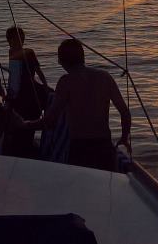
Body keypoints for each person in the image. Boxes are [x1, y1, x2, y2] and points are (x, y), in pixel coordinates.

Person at [26, 39, 131, 172]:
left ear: (62, 61)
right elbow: (125, 112)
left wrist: (24, 124)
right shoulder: (105, 77)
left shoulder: (66, 82)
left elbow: (50, 121)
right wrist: (124, 137)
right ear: (82, 57)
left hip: (80, 148)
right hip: (104, 146)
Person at [3, 26, 48, 157]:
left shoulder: (29, 52)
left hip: (30, 92)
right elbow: (13, 74)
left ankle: (27, 146)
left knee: (28, 120)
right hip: (16, 92)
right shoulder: (11, 52)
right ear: (9, 41)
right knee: (14, 123)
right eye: (13, 39)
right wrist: (9, 91)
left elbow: (38, 71)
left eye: (20, 38)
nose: (17, 42)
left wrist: (45, 85)